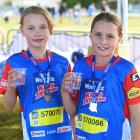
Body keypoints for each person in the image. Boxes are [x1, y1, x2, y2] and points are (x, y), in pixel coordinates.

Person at [61, 12, 140, 140]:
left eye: (110, 36)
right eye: (98, 35)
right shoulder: (80, 66)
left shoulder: (126, 70)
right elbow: (73, 111)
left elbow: (137, 117)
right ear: (90, 35)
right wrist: (64, 92)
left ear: (119, 38)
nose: (103, 41)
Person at [0, 6, 73, 140]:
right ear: (22, 31)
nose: (37, 33)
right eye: (31, 28)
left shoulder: (62, 63)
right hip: (34, 134)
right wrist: (10, 88)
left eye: (42, 27)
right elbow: (8, 106)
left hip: (64, 133)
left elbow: (73, 106)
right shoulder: (14, 63)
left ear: (50, 29)